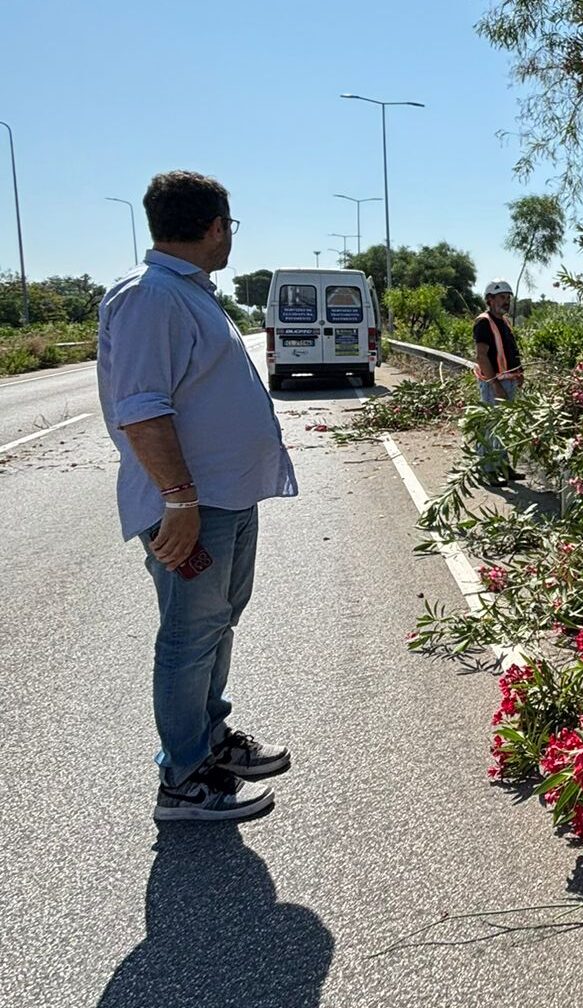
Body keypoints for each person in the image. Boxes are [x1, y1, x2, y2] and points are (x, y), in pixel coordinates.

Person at [97, 170, 298, 822]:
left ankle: (208, 742)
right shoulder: (150, 298)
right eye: (230, 227)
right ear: (215, 226)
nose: (230, 238)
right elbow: (142, 412)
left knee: (215, 626)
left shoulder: (186, 295)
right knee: (188, 639)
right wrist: (178, 500)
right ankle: (183, 780)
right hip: (194, 508)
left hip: (225, 501)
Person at [472, 279, 525, 484]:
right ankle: (487, 470)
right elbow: (482, 356)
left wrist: (519, 374)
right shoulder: (483, 322)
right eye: (502, 297)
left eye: (508, 298)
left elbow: (511, 352)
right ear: (490, 299)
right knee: (491, 427)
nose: (506, 301)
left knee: (503, 428)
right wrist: (495, 384)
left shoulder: (504, 322)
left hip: (508, 382)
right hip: (494, 384)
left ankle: (502, 466)